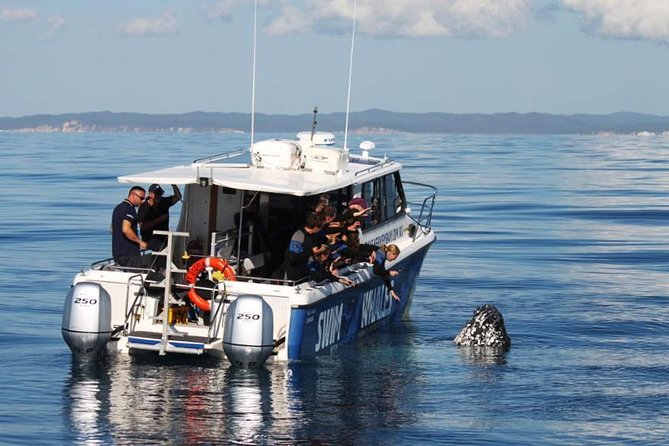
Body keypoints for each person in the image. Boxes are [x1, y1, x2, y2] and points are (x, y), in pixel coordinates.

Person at [272, 212, 324, 281]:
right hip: (291, 272)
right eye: (320, 227)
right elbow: (292, 257)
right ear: (316, 227)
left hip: (302, 270)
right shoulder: (299, 235)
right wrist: (310, 252)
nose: (321, 229)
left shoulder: (311, 236)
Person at [111, 186, 148, 268]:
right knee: (140, 275)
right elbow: (126, 229)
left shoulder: (118, 207)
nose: (142, 201)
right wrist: (140, 242)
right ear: (133, 195)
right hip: (129, 253)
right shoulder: (129, 209)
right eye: (141, 198)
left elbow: (112, 229)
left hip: (117, 252)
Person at [138, 184, 182, 252]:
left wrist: (174, 185)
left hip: (164, 237)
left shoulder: (163, 202)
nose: (159, 196)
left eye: (160, 194)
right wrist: (159, 219)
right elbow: (143, 226)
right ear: (150, 194)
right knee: (161, 247)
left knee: (176, 246)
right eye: (157, 194)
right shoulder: (144, 208)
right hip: (150, 239)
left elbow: (178, 197)